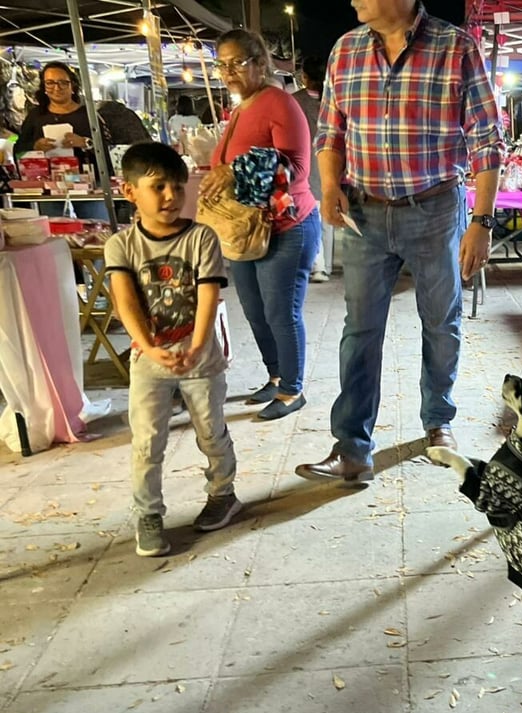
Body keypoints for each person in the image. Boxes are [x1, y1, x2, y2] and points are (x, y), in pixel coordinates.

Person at [295, 0, 503, 485]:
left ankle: (438, 422)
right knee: (359, 331)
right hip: (365, 213)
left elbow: (486, 140)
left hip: (435, 209)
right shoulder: (346, 51)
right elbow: (330, 132)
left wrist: (482, 220)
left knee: (440, 321)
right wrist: (329, 186)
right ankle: (351, 447)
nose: (351, 0)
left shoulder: (456, 47)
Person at [105, 142, 241, 557]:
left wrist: (198, 346)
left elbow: (207, 297)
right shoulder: (121, 245)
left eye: (177, 187)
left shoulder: (201, 237)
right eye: (157, 186)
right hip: (149, 361)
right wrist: (148, 347)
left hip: (201, 358)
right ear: (130, 192)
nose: (169, 196)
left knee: (211, 431)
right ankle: (148, 514)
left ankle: (223, 493)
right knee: (147, 441)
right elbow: (125, 302)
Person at [199, 29, 321, 421]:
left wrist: (235, 172)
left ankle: (292, 389)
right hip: (248, 231)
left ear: (260, 63)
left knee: (281, 311)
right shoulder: (242, 107)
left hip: (287, 226)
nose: (229, 71)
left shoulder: (279, 103)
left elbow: (298, 169)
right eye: (222, 64)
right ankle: (275, 374)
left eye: (238, 62)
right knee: (254, 309)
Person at [13, 62, 108, 219]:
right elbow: (19, 150)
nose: (57, 88)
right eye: (50, 83)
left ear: (73, 86)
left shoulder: (89, 114)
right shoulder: (36, 116)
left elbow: (108, 150)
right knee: (54, 235)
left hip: (88, 186)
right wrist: (35, 147)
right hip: (49, 187)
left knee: (97, 230)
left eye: (63, 82)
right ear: (43, 86)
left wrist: (85, 143)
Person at [292, 56, 333, 283]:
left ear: (304, 77)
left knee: (309, 216)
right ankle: (324, 265)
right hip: (330, 164)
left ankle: (315, 265)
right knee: (327, 218)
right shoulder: (332, 99)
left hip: (304, 166)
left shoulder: (294, 101)